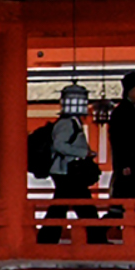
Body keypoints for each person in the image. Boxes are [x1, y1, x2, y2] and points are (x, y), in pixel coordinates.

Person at [37, 99, 103, 244]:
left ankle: (47, 239)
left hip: (67, 171)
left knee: (62, 207)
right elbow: (60, 145)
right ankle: (97, 239)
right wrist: (83, 153)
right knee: (80, 206)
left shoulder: (72, 123)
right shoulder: (67, 123)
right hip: (66, 171)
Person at [105, 70, 135, 241]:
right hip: (127, 167)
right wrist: (124, 164)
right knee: (126, 206)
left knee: (129, 205)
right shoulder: (122, 112)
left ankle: (132, 237)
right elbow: (119, 141)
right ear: (130, 90)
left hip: (134, 166)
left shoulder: (132, 110)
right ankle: (101, 234)